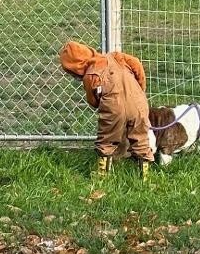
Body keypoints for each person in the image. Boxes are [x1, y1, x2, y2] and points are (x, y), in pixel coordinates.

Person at [59, 41, 155, 179]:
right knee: (140, 137)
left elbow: (93, 100)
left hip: (114, 108)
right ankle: (144, 176)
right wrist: (140, 88)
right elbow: (136, 63)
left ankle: (103, 174)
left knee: (107, 139)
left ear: (74, 66)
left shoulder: (90, 74)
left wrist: (100, 103)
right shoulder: (116, 56)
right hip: (139, 103)